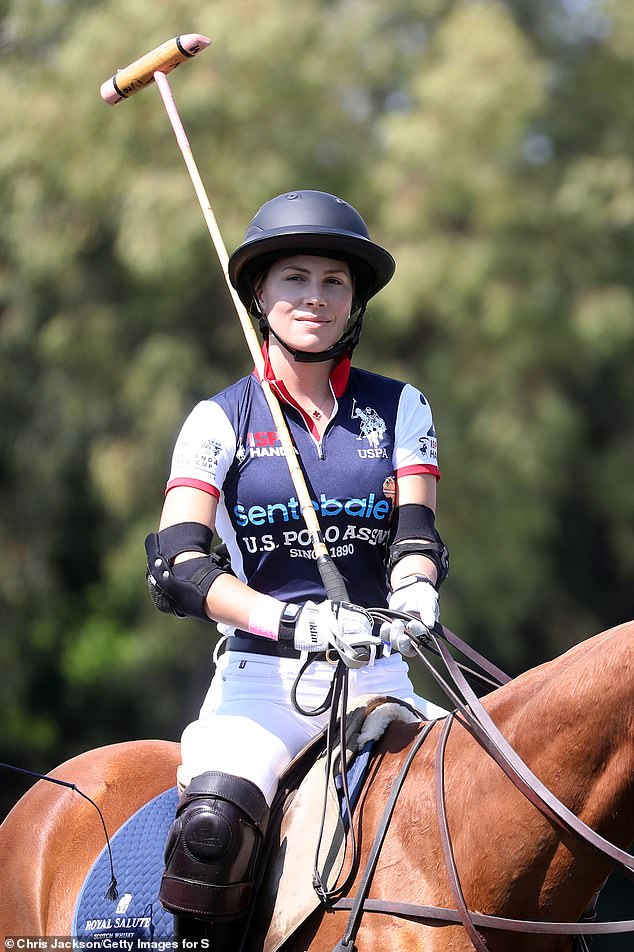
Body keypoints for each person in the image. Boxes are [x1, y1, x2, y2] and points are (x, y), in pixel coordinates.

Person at [145, 189, 449, 938]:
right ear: (259, 292)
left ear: (355, 302)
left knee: (498, 811)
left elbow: (416, 534)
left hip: (380, 681)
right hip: (261, 688)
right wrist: (293, 619)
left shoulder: (401, 408)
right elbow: (179, 565)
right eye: (295, 278)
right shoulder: (220, 419)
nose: (315, 298)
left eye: (333, 282)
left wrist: (413, 591)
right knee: (211, 828)